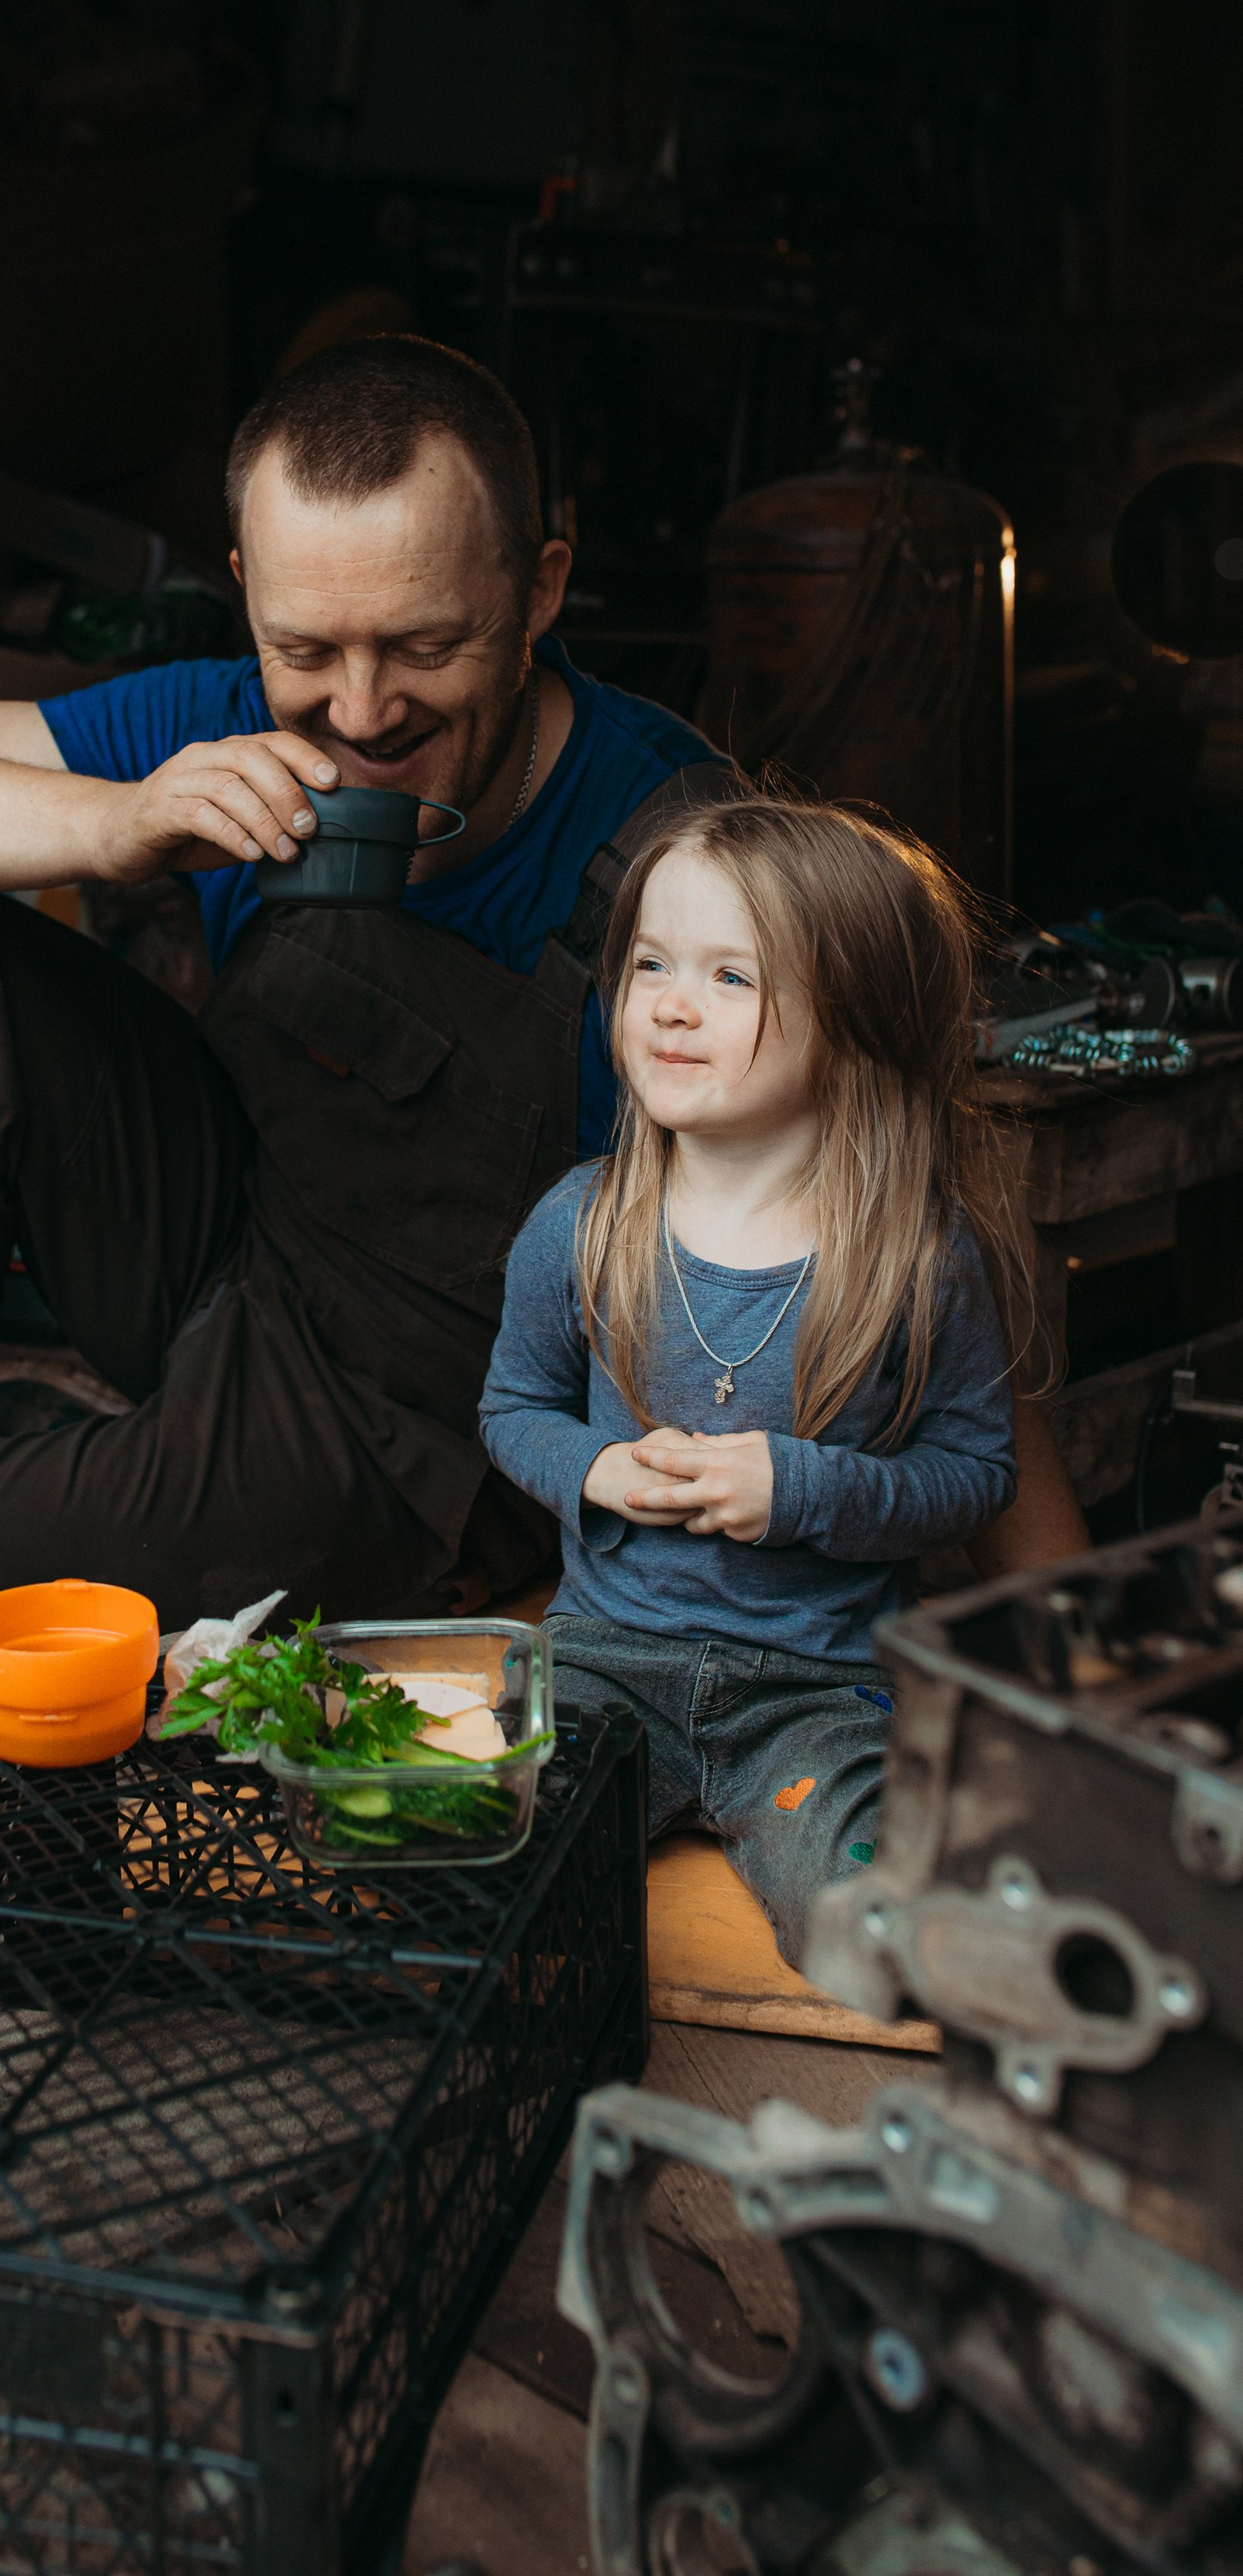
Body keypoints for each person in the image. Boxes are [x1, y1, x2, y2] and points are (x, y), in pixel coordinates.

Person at [0, 331, 1083, 1631]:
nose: (362, 711)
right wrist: (113, 823)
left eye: (425, 647)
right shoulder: (224, 723)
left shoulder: (677, 864)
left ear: (541, 589)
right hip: (234, 1261)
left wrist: (1066, 1649)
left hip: (414, 1443)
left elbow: (902, 1236)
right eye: (309, 650)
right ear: (249, 590)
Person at [477, 797, 1027, 1964]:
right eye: (651, 965)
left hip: (816, 1696)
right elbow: (512, 1410)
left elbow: (976, 1476)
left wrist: (805, 1490)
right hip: (603, 1667)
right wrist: (601, 1469)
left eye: (734, 978)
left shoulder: (921, 1258)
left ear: (857, 1015)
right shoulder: (581, 1226)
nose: (672, 1003)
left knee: (865, 1917)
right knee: (493, 1861)